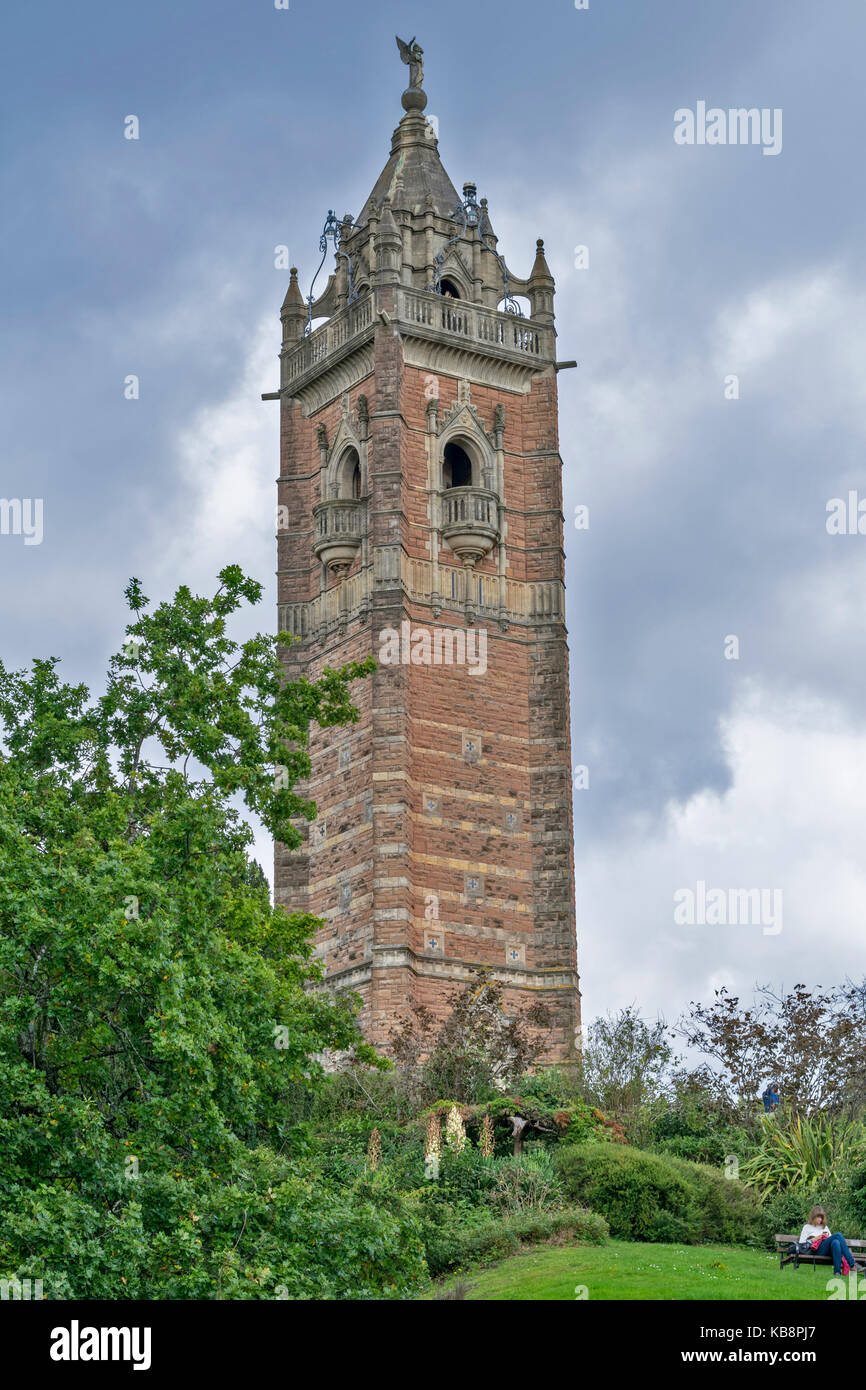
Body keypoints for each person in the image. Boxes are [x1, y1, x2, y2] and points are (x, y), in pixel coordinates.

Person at [799, 1205, 858, 1276]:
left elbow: (831, 1241)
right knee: (838, 1235)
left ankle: (837, 1272)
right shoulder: (807, 1227)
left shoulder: (825, 1227)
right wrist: (817, 1238)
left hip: (827, 1251)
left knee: (836, 1242)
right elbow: (801, 1243)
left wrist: (826, 1237)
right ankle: (852, 1264)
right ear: (813, 1217)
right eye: (818, 1217)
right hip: (816, 1251)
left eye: (821, 1217)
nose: (820, 1219)